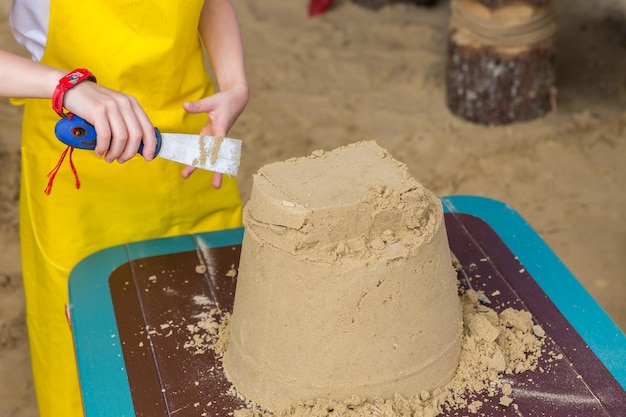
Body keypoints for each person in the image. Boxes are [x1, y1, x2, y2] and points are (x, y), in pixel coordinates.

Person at [1, 1, 249, 416]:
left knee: (218, 351)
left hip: (193, 145)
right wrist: (65, 85)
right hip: (80, 158)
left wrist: (234, 83)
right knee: (93, 366)